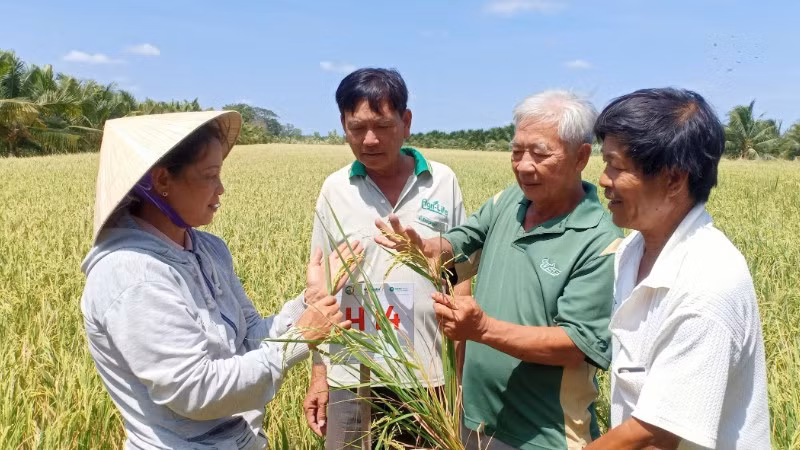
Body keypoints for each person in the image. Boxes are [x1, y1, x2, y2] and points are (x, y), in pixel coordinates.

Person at [80, 111, 361, 449]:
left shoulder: (208, 250)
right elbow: (196, 391)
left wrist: (309, 302)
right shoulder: (132, 276)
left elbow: (249, 339)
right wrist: (300, 337)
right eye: (210, 175)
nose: (221, 189)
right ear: (162, 181)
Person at [377, 90, 623, 449]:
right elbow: (463, 241)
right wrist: (428, 249)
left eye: (540, 154)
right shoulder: (509, 201)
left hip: (544, 436)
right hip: (476, 423)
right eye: (516, 151)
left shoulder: (600, 241)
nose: (524, 165)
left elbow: (576, 344)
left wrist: (484, 330)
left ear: (581, 157)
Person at [585, 88, 770, 449]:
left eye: (617, 166)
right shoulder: (631, 251)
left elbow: (655, 435)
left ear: (673, 180)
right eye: (605, 164)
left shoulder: (709, 281)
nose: (604, 180)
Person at [301, 68, 471, 449]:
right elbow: (319, 286)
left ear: (406, 122)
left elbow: (460, 275)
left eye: (382, 125)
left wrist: (460, 371)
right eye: (356, 128)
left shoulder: (442, 182)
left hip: (428, 372)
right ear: (342, 125)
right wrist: (319, 374)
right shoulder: (335, 189)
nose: (370, 139)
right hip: (352, 369)